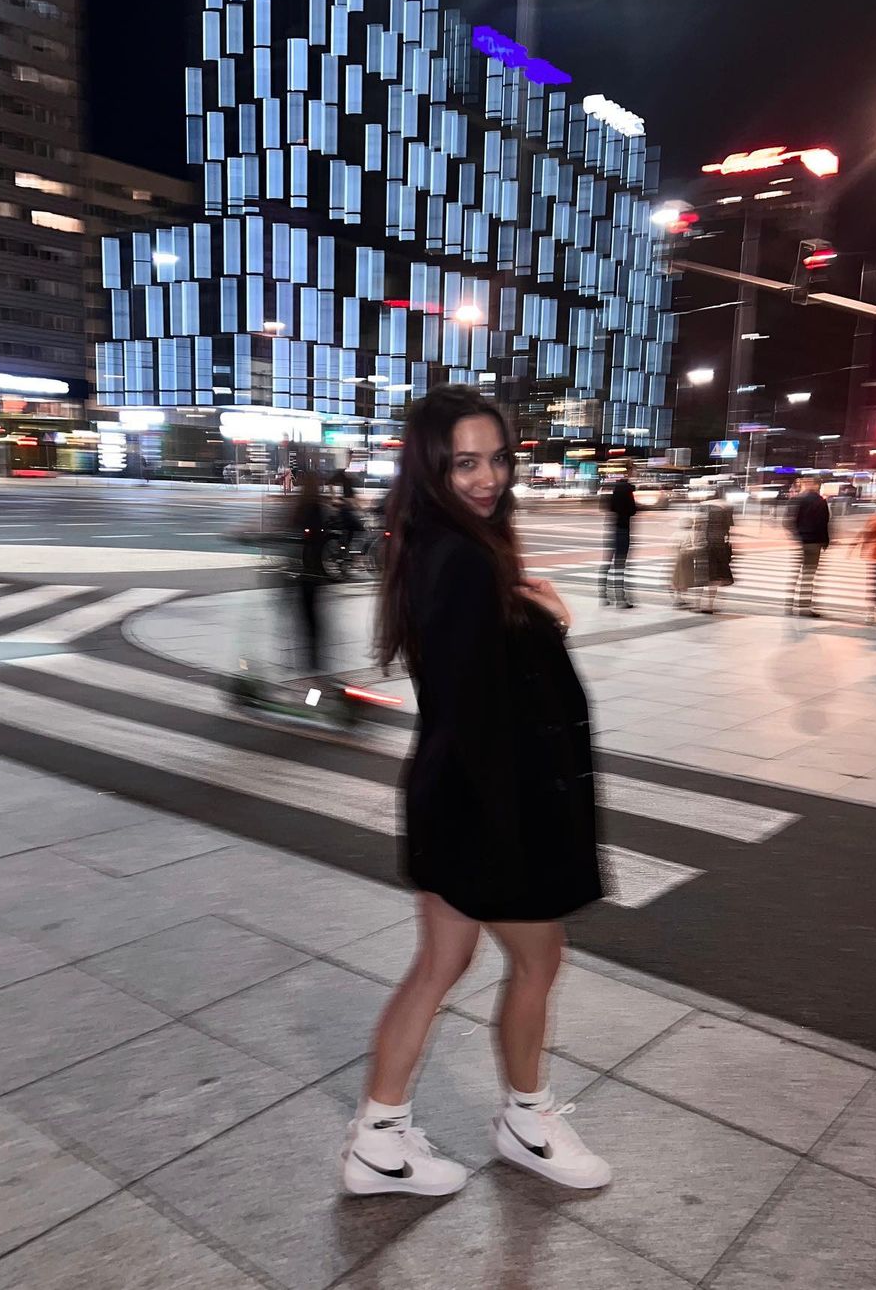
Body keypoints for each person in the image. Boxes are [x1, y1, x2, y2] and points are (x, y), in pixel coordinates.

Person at [344, 385, 610, 1198]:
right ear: (432, 468)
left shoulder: (439, 544)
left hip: (452, 796)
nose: (487, 478)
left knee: (441, 963)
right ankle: (527, 1120)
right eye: (465, 463)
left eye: (497, 459)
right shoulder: (460, 559)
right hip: (486, 805)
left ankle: (378, 1141)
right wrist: (550, 624)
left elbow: (475, 687)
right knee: (539, 957)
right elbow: (482, 710)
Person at [291, 469, 327, 671]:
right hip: (314, 568)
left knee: (304, 614)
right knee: (313, 614)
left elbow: (294, 528)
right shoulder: (317, 506)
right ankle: (313, 659)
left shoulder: (301, 506)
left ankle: (307, 658)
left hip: (302, 567)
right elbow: (320, 534)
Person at [786, 477, 831, 618]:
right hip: (814, 542)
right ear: (818, 486)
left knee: (796, 573)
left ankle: (789, 604)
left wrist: (796, 535)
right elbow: (823, 523)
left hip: (801, 541)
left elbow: (788, 521)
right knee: (808, 575)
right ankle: (804, 606)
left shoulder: (798, 499)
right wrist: (825, 541)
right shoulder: (820, 501)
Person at [599, 475, 637, 609]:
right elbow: (633, 510)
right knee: (620, 565)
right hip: (623, 531)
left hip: (611, 530)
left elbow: (607, 508)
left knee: (607, 563)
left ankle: (603, 595)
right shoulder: (628, 493)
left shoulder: (613, 493)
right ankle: (620, 598)